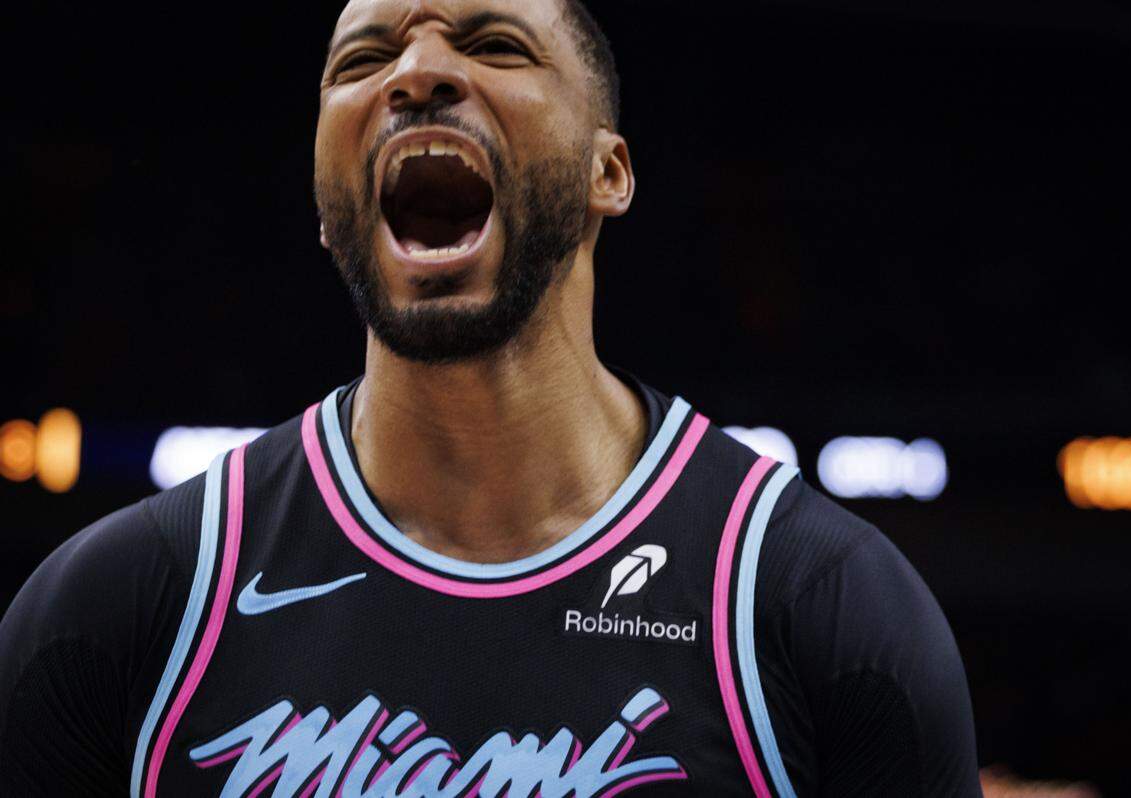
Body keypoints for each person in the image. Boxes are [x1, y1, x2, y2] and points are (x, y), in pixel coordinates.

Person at [0, 0, 983, 795]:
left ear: (610, 172)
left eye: (494, 42)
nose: (415, 74)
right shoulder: (120, 607)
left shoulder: (820, 605)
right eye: (360, 60)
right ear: (322, 191)